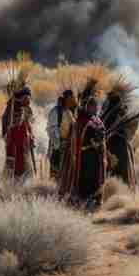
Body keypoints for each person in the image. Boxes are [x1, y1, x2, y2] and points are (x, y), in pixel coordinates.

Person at [59, 82, 107, 211]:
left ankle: (94, 203)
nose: (96, 108)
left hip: (96, 156)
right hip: (85, 157)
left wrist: (100, 140)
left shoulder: (96, 119)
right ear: (87, 106)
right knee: (86, 181)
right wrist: (94, 140)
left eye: (96, 106)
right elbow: (81, 138)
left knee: (95, 180)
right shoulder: (81, 121)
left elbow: (101, 132)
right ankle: (84, 204)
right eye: (93, 106)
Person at [100, 78, 139, 187]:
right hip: (122, 147)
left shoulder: (113, 113)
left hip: (115, 147)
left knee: (114, 171)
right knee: (122, 171)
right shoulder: (120, 112)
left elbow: (104, 128)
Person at [1, 86, 35, 180]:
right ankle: (11, 185)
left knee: (24, 163)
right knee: (14, 164)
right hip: (14, 142)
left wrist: (31, 136)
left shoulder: (27, 109)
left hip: (24, 141)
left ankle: (25, 185)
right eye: (26, 99)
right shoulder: (11, 108)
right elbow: (7, 124)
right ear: (21, 98)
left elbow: (29, 124)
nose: (28, 101)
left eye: (29, 99)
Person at [46, 90, 76, 180]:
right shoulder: (56, 111)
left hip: (67, 147)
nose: (72, 101)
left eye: (73, 99)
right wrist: (58, 144)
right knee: (55, 172)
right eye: (71, 99)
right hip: (57, 147)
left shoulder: (70, 113)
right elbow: (51, 130)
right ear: (66, 99)